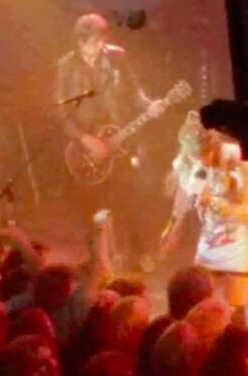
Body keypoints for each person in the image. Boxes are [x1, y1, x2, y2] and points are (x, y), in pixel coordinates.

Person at [54, 13, 165, 272]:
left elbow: (134, 91)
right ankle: (100, 257)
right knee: (94, 205)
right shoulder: (67, 65)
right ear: (79, 41)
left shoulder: (116, 57)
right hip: (86, 142)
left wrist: (149, 105)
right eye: (90, 42)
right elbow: (59, 110)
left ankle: (139, 251)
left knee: (130, 196)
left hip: (117, 133)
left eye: (99, 41)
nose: (96, 47)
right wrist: (84, 139)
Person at [160, 113, 248, 329]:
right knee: (197, 303)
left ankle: (236, 345)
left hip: (239, 240)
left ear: (214, 145)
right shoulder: (186, 162)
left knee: (234, 312)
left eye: (202, 155)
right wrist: (173, 227)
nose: (199, 161)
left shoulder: (237, 161)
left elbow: (245, 211)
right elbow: (184, 195)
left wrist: (214, 203)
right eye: (193, 156)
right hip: (210, 237)